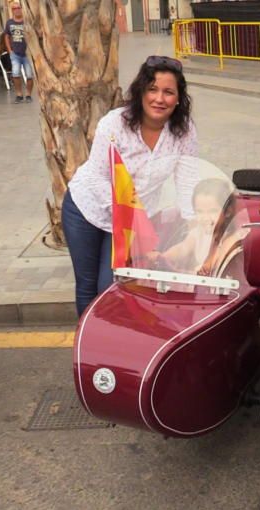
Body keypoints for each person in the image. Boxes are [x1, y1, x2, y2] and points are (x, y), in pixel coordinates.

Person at [63, 56, 198, 316]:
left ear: (179, 98)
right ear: (141, 92)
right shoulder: (115, 123)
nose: (160, 98)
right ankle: (88, 347)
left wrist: (196, 230)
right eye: (153, 89)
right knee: (88, 285)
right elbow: (96, 177)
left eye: (168, 92)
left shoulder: (184, 131)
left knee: (110, 286)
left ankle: (112, 343)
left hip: (131, 220)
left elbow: (187, 182)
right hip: (86, 208)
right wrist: (131, 214)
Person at [4, 3, 34, 103]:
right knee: (16, 74)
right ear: (12, 10)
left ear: (22, 9)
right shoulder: (9, 22)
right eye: (14, 8)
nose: (17, 10)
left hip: (28, 53)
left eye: (18, 8)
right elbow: (7, 36)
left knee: (29, 75)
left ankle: (29, 94)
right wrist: (9, 50)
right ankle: (19, 94)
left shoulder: (27, 21)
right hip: (15, 53)